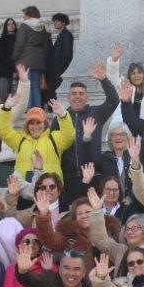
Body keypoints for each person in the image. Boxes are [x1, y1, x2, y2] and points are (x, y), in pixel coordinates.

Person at [54, 60, 120, 206]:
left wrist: (103, 79)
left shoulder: (96, 113)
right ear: (68, 97)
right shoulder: (60, 118)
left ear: (86, 97)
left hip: (93, 175)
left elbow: (114, 100)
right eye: (74, 93)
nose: (77, 96)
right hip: (69, 177)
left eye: (81, 93)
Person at [0, 94, 75, 183]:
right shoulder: (20, 139)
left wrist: (63, 116)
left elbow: (69, 136)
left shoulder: (54, 138)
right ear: (27, 125)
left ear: (45, 123)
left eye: (38, 122)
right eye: (32, 123)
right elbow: (3, 131)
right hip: (24, 188)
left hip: (50, 187)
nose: (35, 126)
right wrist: (5, 109)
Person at [88, 190, 144, 264]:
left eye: (134, 228)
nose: (129, 232)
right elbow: (101, 240)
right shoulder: (120, 251)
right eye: (127, 229)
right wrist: (96, 212)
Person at [106, 42, 144, 132]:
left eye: (139, 73)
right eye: (133, 73)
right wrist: (114, 60)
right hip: (124, 133)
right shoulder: (124, 88)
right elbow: (112, 78)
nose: (136, 76)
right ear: (129, 76)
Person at [12, 6, 52, 109]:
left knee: (27, 86)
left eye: (25, 14)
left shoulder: (24, 26)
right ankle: (38, 109)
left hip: (26, 59)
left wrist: (14, 57)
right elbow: (45, 45)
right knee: (35, 86)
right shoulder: (42, 27)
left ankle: (29, 109)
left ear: (29, 15)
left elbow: (19, 44)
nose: (23, 17)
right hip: (39, 60)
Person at [46, 13, 74, 102]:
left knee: (54, 93)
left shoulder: (66, 35)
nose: (54, 23)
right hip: (56, 70)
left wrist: (61, 69)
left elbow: (66, 53)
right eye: (54, 21)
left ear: (63, 22)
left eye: (57, 21)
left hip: (59, 70)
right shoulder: (61, 35)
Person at [0, 17, 18, 96]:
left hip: (16, 72)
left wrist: (16, 70)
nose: (11, 25)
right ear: (6, 26)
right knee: (3, 97)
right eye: (9, 24)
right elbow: (0, 57)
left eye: (12, 24)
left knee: (15, 97)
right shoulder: (1, 40)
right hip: (3, 72)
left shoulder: (19, 40)